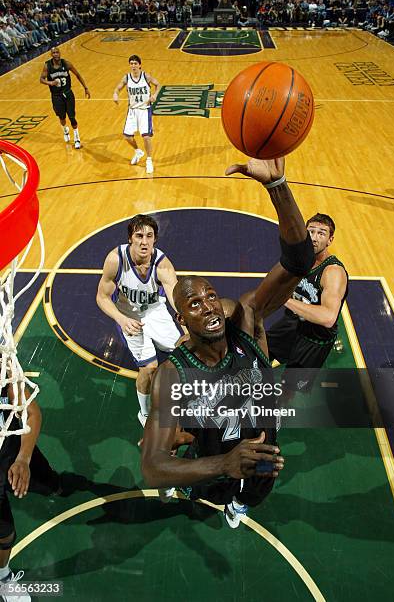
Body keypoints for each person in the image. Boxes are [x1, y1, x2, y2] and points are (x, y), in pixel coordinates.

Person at [141, 156, 315, 527]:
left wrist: (277, 185)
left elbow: (300, 260)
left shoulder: (246, 319)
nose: (208, 306)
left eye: (210, 295)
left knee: (259, 486)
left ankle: (241, 505)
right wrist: (222, 463)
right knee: (206, 489)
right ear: (180, 319)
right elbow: (152, 468)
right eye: (194, 303)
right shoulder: (174, 373)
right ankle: (214, 490)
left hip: (264, 440)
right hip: (214, 453)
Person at [96, 214, 182, 430]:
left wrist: (186, 325)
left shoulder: (163, 265)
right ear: (130, 239)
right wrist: (121, 319)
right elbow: (102, 297)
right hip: (129, 316)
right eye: (139, 236)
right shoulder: (116, 260)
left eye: (149, 236)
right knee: (150, 368)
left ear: (155, 239)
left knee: (182, 354)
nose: (144, 241)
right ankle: (144, 412)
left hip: (155, 311)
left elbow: (176, 298)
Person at [266, 212, 348, 392]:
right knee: (262, 353)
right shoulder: (301, 258)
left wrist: (285, 299)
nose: (314, 238)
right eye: (311, 231)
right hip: (292, 324)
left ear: (330, 240)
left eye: (321, 233)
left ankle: (281, 408)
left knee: (290, 386)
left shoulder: (332, 272)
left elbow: (328, 317)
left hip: (314, 339)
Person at [0, 383, 61, 601]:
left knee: (53, 484)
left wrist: (24, 458)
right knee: (5, 534)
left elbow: (32, 412)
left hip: (14, 450)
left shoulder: (4, 370)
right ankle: (3, 577)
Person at [112, 55, 160, 174]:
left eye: (135, 63)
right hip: (132, 110)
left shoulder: (146, 76)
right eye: (131, 63)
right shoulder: (126, 78)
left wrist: (154, 95)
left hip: (145, 109)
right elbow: (118, 88)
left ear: (140, 65)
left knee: (146, 136)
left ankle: (149, 160)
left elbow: (158, 85)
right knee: (127, 136)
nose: (133, 66)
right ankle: (138, 151)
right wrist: (115, 94)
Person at [40, 46, 90, 149]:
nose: (56, 54)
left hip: (68, 93)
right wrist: (50, 82)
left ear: (60, 53)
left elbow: (78, 75)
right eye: (54, 53)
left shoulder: (66, 63)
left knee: (72, 117)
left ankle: (77, 138)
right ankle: (65, 130)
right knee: (62, 117)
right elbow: (41, 79)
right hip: (56, 96)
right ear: (51, 55)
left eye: (57, 52)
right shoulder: (47, 66)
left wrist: (85, 88)